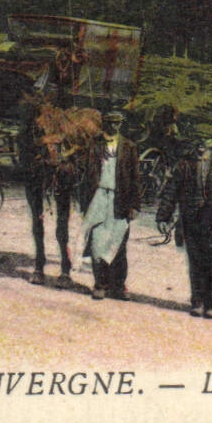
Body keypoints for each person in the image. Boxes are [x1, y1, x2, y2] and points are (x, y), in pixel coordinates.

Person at [156, 140, 212, 318]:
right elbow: (171, 191)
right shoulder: (184, 164)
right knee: (195, 261)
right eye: (198, 140)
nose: (201, 145)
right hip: (192, 220)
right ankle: (197, 302)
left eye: (206, 140)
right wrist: (163, 216)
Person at [80, 110, 141, 301]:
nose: (114, 126)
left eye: (117, 123)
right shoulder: (93, 145)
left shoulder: (129, 147)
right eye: (110, 122)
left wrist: (134, 205)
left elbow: (135, 179)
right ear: (104, 123)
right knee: (97, 242)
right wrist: (85, 204)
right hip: (98, 198)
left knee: (118, 243)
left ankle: (119, 285)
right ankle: (100, 284)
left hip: (119, 199)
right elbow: (83, 175)